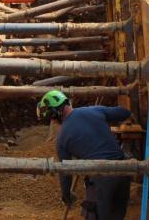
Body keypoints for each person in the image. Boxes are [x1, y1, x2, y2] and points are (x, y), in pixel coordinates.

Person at [37, 90, 132, 220]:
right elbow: (124, 113)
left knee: (95, 215)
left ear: (55, 113)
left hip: (102, 178)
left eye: (51, 118)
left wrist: (66, 196)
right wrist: (102, 120)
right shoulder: (94, 110)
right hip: (124, 172)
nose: (53, 121)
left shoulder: (62, 138)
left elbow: (65, 172)